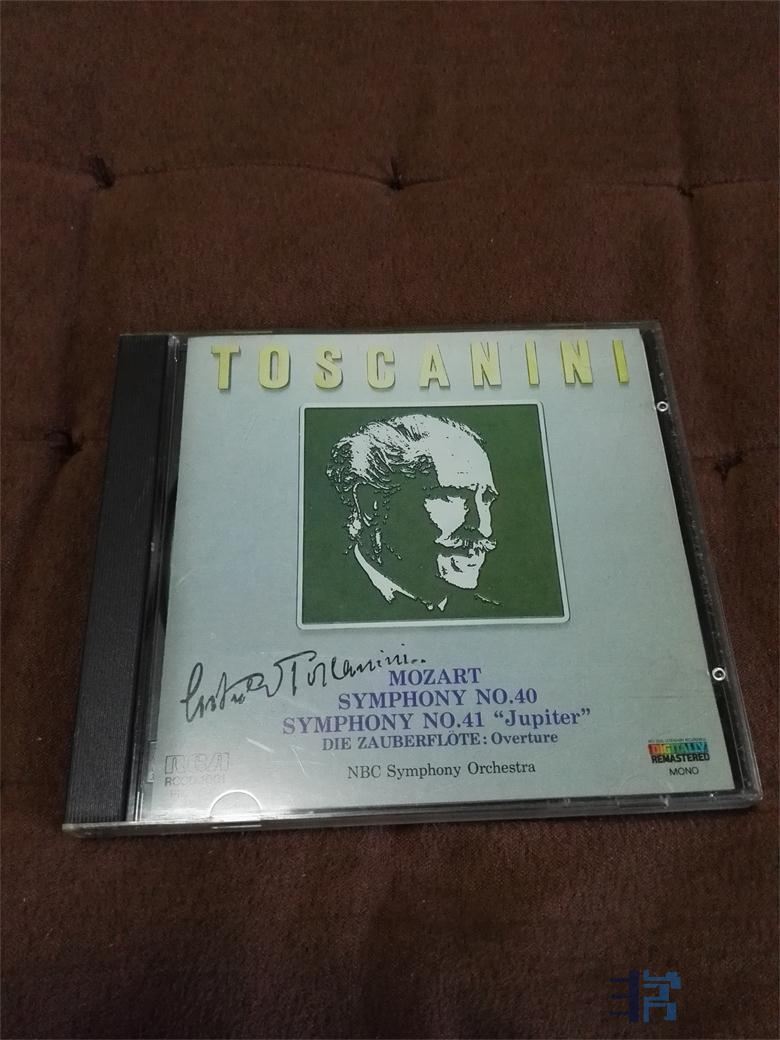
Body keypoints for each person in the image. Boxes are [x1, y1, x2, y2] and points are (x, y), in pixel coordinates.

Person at [326, 413, 499, 614]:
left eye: (486, 499)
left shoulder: (491, 616)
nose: (482, 527)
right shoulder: (324, 604)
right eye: (452, 496)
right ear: (371, 504)